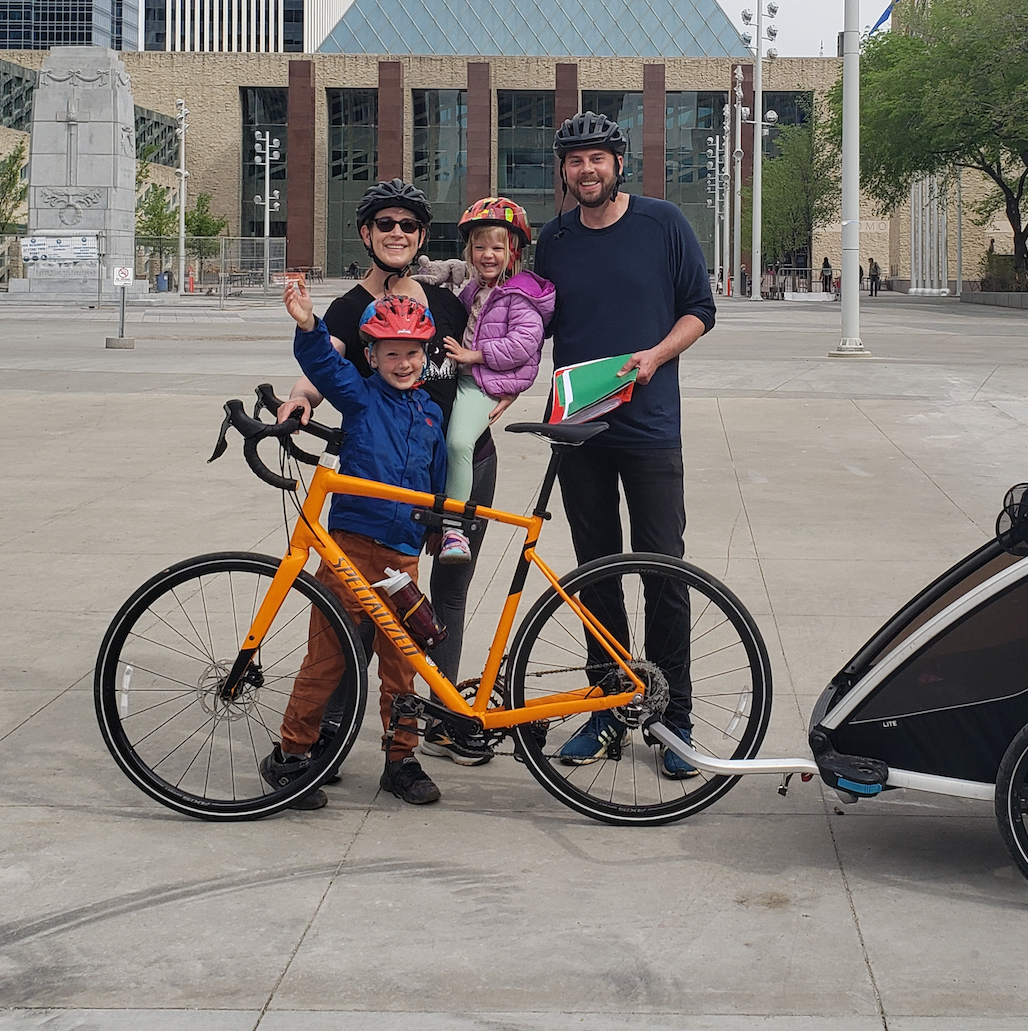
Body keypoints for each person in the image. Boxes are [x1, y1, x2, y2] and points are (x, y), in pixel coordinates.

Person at [279, 180, 502, 766]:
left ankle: (445, 720)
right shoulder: (352, 310)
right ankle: (327, 734)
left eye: (407, 226)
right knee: (346, 628)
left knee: (440, 607)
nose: (396, 234)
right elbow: (328, 364)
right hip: (374, 494)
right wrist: (300, 400)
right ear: (367, 235)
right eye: (385, 225)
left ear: (422, 236)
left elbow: (489, 360)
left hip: (450, 467)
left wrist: (497, 400)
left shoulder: (447, 304)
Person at [529, 112, 715, 778]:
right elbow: (532, 327)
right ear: (564, 171)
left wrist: (656, 356)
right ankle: (607, 708)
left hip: (650, 428)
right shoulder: (553, 239)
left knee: (665, 571)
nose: (586, 170)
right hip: (579, 429)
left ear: (618, 162)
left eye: (597, 159)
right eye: (574, 161)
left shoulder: (663, 224)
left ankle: (673, 718)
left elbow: (701, 308)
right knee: (596, 572)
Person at [268, 281, 449, 809]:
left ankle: (401, 760)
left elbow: (435, 476)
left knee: (401, 666)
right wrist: (307, 323)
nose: (402, 363)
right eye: (390, 352)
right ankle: (292, 756)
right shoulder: (361, 395)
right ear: (371, 355)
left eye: (412, 352)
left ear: (425, 355)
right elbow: (324, 365)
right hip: (349, 547)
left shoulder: (432, 413)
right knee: (328, 658)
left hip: (402, 557)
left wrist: (435, 524)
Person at [438, 198, 553, 560]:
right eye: (480, 246)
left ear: (514, 251)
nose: (488, 254)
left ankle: (454, 530)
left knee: (458, 444)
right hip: (462, 378)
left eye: (497, 247)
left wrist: (476, 355)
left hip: (481, 383)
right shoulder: (474, 291)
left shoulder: (520, 296)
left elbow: (523, 343)